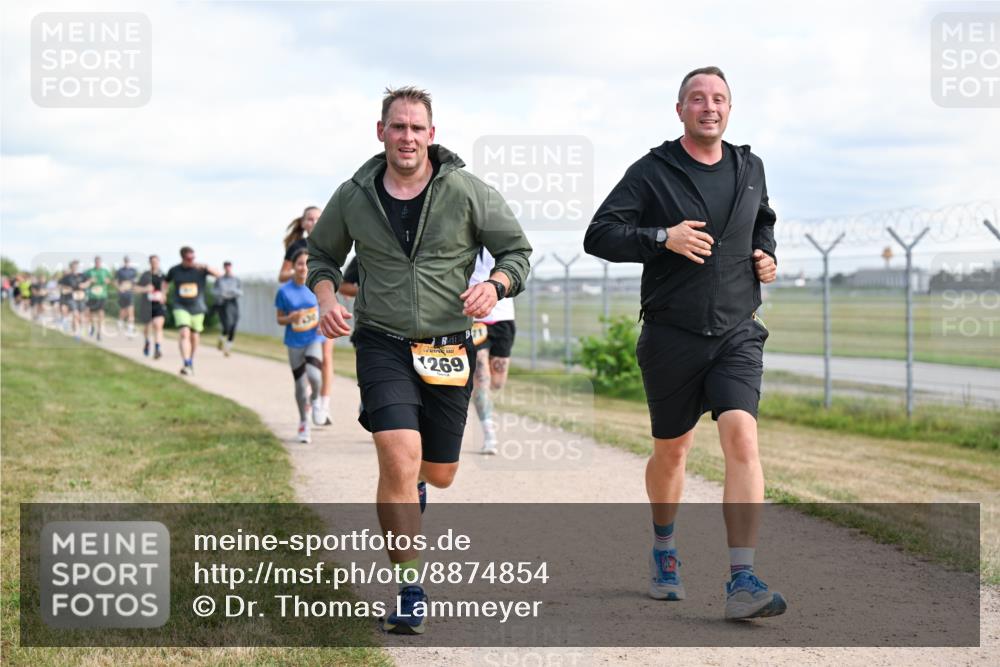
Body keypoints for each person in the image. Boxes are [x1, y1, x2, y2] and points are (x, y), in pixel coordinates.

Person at [307, 86, 532, 635]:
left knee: (439, 472)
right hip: (382, 341)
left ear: (432, 134)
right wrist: (327, 297)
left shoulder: (466, 190)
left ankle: (420, 487)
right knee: (396, 454)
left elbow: (517, 252)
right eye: (397, 127)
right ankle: (411, 587)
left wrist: (497, 285)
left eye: (416, 128)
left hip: (448, 345)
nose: (407, 137)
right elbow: (322, 255)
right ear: (380, 131)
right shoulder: (354, 194)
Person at [583, 66, 783, 621]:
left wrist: (766, 253)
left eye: (718, 98)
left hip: (739, 330)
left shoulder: (750, 167)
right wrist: (660, 238)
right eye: (698, 98)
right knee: (673, 451)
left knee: (742, 438)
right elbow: (599, 234)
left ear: (730, 108)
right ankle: (665, 548)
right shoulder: (652, 171)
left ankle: (742, 577)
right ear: (680, 110)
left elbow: (762, 221)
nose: (709, 107)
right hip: (672, 334)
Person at [281, 206, 334, 425]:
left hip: (326, 303)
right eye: (309, 219)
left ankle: (324, 404)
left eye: (317, 219)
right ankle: (312, 398)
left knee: (327, 355)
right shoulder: (296, 247)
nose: (313, 222)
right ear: (303, 224)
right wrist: (301, 270)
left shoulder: (331, 242)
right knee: (312, 360)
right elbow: (282, 275)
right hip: (306, 301)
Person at [468, 248, 517, 455]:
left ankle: (474, 390)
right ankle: (489, 434)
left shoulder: (501, 238)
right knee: (482, 377)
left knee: (497, 382)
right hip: (474, 319)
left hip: (503, 317)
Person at [276, 249, 326, 443]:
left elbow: (326, 308)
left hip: (314, 338)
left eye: (307, 263)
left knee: (314, 376)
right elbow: (279, 319)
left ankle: (316, 400)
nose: (303, 267)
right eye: (299, 263)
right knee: (299, 386)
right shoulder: (284, 291)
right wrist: (291, 317)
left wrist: (322, 323)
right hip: (294, 341)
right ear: (293, 267)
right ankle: (304, 422)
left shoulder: (317, 286)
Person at [164, 246, 221, 375]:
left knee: (194, 336)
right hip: (180, 306)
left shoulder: (200, 269)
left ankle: (191, 359)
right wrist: (163, 293)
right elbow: (165, 282)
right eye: (188, 258)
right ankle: (186, 362)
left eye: (193, 258)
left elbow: (219, 275)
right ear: (183, 258)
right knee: (184, 333)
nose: (191, 260)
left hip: (197, 306)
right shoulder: (175, 270)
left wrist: (206, 268)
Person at [136, 255, 167, 359]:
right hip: (146, 305)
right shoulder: (145, 275)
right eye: (153, 261)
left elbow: (166, 287)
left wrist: (164, 295)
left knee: (158, 326)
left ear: (159, 262)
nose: (155, 263)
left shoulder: (162, 275)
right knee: (147, 327)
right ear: (150, 263)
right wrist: (145, 289)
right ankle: (147, 342)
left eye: (156, 261)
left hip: (158, 305)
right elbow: (136, 288)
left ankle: (157, 349)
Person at [213, 261, 243, 356]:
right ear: (224, 268)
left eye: (229, 267)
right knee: (227, 326)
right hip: (223, 304)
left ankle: (227, 348)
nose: (227, 268)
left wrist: (233, 291)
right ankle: (221, 339)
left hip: (233, 302)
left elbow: (240, 291)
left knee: (234, 325)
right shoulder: (219, 280)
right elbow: (214, 291)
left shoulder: (236, 279)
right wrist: (222, 293)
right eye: (226, 267)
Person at [84, 256, 112, 341]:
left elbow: (110, 280)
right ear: (94, 262)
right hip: (92, 295)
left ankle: (99, 333)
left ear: (101, 263)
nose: (98, 263)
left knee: (100, 312)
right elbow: (83, 279)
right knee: (89, 313)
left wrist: (108, 281)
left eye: (99, 262)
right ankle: (92, 326)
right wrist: (89, 280)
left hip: (102, 295)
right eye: (96, 262)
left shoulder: (105, 271)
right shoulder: (89, 271)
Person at [58, 261, 88, 340]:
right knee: (75, 314)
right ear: (71, 267)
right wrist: (67, 289)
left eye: (76, 266)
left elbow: (88, 282)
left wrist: (84, 285)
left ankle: (80, 330)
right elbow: (60, 286)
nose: (75, 268)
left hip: (81, 297)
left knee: (81, 317)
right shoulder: (67, 277)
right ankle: (76, 333)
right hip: (71, 298)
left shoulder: (82, 275)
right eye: (73, 267)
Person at [116, 255, 139, 338]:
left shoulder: (133, 270)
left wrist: (135, 288)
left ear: (129, 261)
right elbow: (116, 281)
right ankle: (120, 321)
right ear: (124, 261)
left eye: (128, 261)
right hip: (122, 293)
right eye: (125, 261)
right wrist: (119, 288)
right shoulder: (120, 271)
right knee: (123, 310)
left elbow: (135, 281)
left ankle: (130, 330)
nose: (127, 262)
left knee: (131, 311)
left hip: (130, 293)